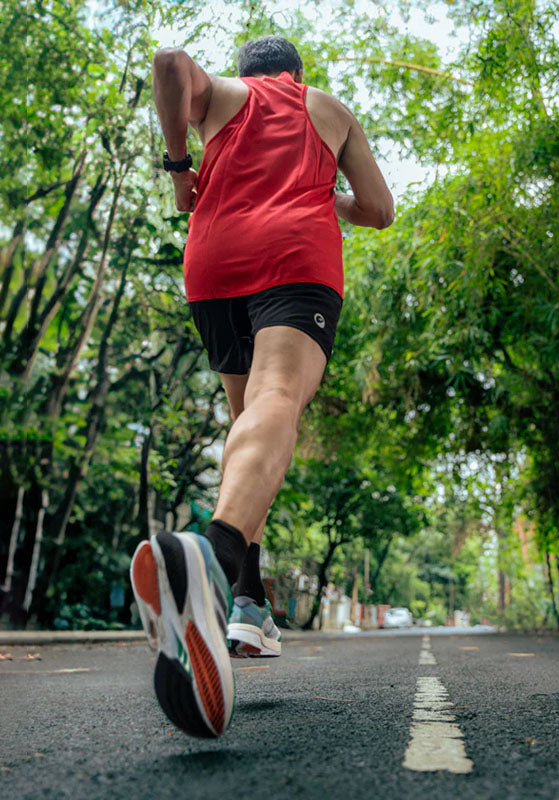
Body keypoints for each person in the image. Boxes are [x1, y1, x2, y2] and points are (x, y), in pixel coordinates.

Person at [130, 35, 393, 738]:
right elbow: (379, 208)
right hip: (293, 261)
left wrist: (180, 167)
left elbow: (166, 61)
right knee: (278, 400)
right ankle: (213, 565)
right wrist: (322, 198)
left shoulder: (220, 97)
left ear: (243, 73)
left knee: (248, 426)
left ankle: (247, 603)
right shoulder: (325, 108)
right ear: (296, 74)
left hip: (214, 265)